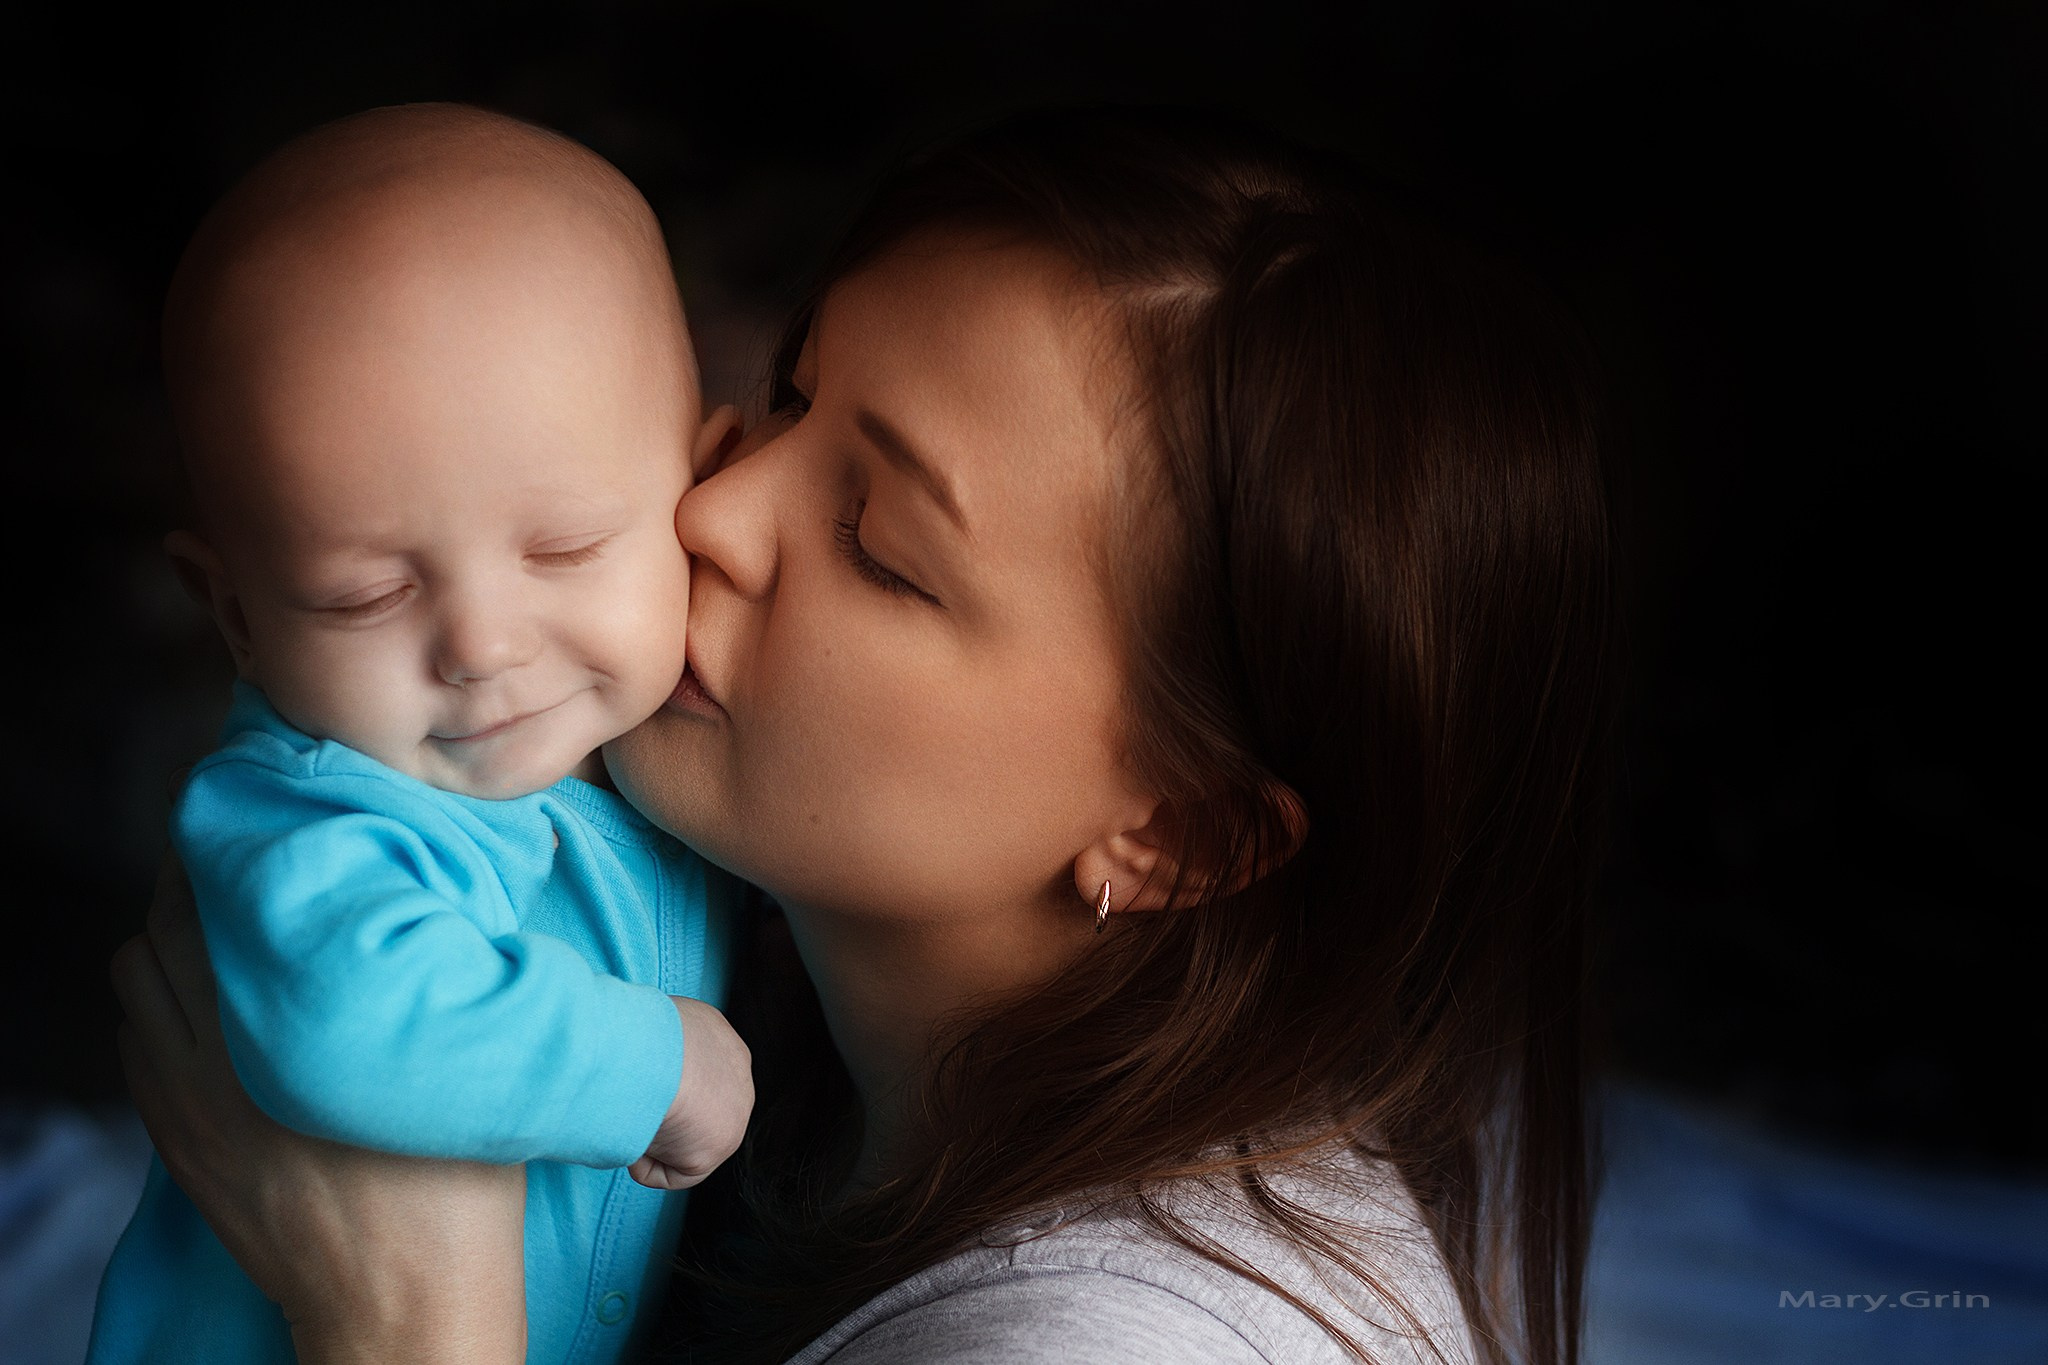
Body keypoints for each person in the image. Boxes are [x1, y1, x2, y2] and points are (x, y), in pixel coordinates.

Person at [113, 107, 1615, 1365]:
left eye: (884, 550)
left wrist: (409, 1320)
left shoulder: (1104, 1343)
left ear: (1175, 836)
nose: (708, 508)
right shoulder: (813, 1069)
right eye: (787, 393)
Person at [89, 105, 756, 1365]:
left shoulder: (684, 756)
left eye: (561, 549)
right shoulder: (311, 810)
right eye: (366, 597)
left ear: (702, 490)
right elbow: (350, 1020)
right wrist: (659, 1068)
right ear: (234, 614)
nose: (483, 648)